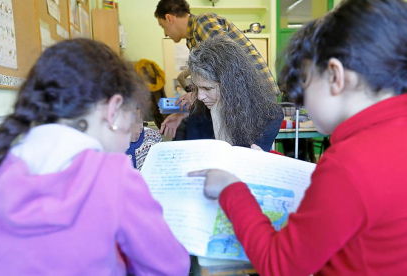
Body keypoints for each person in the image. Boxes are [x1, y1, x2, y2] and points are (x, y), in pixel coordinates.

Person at [189, 0, 407, 275]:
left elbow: (280, 265)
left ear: (335, 76)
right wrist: (270, 164)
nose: (301, 99)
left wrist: (231, 190)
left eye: (304, 81)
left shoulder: (350, 162)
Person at [0, 39, 190, 276]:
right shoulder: (114, 174)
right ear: (113, 110)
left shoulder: (1, 164)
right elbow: (171, 267)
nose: (129, 136)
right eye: (131, 118)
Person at [154, 0, 280, 140]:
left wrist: (195, 95)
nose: (165, 33)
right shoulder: (193, 40)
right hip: (242, 97)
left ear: (169, 18)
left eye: (162, 26)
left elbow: (228, 63)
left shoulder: (202, 22)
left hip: (256, 95)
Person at [181, 36, 283, 151]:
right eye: (197, 87)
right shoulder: (199, 111)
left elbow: (236, 164)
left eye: (207, 89)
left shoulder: (270, 115)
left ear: (231, 86)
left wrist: (218, 115)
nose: (200, 96)